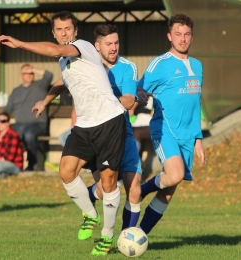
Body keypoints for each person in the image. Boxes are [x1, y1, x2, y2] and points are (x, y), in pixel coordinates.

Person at [0, 11, 126, 255]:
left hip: (109, 121)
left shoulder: (82, 46)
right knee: (66, 171)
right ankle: (90, 214)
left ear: (75, 32)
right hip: (85, 125)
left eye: (68, 28)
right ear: (53, 33)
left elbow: (56, 51)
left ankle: (107, 236)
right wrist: (45, 101)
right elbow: (63, 81)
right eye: (59, 29)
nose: (64, 33)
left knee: (108, 182)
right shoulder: (64, 60)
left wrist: (21, 43)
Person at [137, 14, 206, 235]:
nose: (182, 38)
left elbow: (195, 104)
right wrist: (139, 95)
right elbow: (140, 87)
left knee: (168, 191)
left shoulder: (197, 65)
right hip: (165, 130)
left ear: (191, 37)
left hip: (187, 135)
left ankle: (139, 235)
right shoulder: (160, 63)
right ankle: (140, 190)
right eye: (178, 34)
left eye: (186, 34)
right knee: (174, 175)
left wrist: (198, 139)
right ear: (169, 36)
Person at [85, 23, 142, 232]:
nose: (114, 47)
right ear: (97, 46)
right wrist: (45, 101)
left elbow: (128, 101)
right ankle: (90, 195)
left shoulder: (128, 67)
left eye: (116, 42)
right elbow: (64, 81)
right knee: (103, 189)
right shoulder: (87, 66)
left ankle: (127, 237)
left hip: (123, 132)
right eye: (108, 43)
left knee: (134, 189)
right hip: (98, 134)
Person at [3, 64, 53, 171]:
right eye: (26, 73)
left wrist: (33, 68)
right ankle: (7, 163)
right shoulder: (16, 91)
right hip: (19, 125)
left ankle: (32, 164)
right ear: (21, 75)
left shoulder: (40, 86)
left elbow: (49, 75)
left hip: (38, 124)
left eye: (31, 73)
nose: (29, 75)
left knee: (29, 134)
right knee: (7, 133)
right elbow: (7, 110)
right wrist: (2, 122)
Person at [0, 112, 23, 178]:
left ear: (8, 123)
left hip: (14, 165)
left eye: (3, 121)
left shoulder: (13, 135)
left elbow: (9, 157)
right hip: (0, 163)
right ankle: (2, 175)